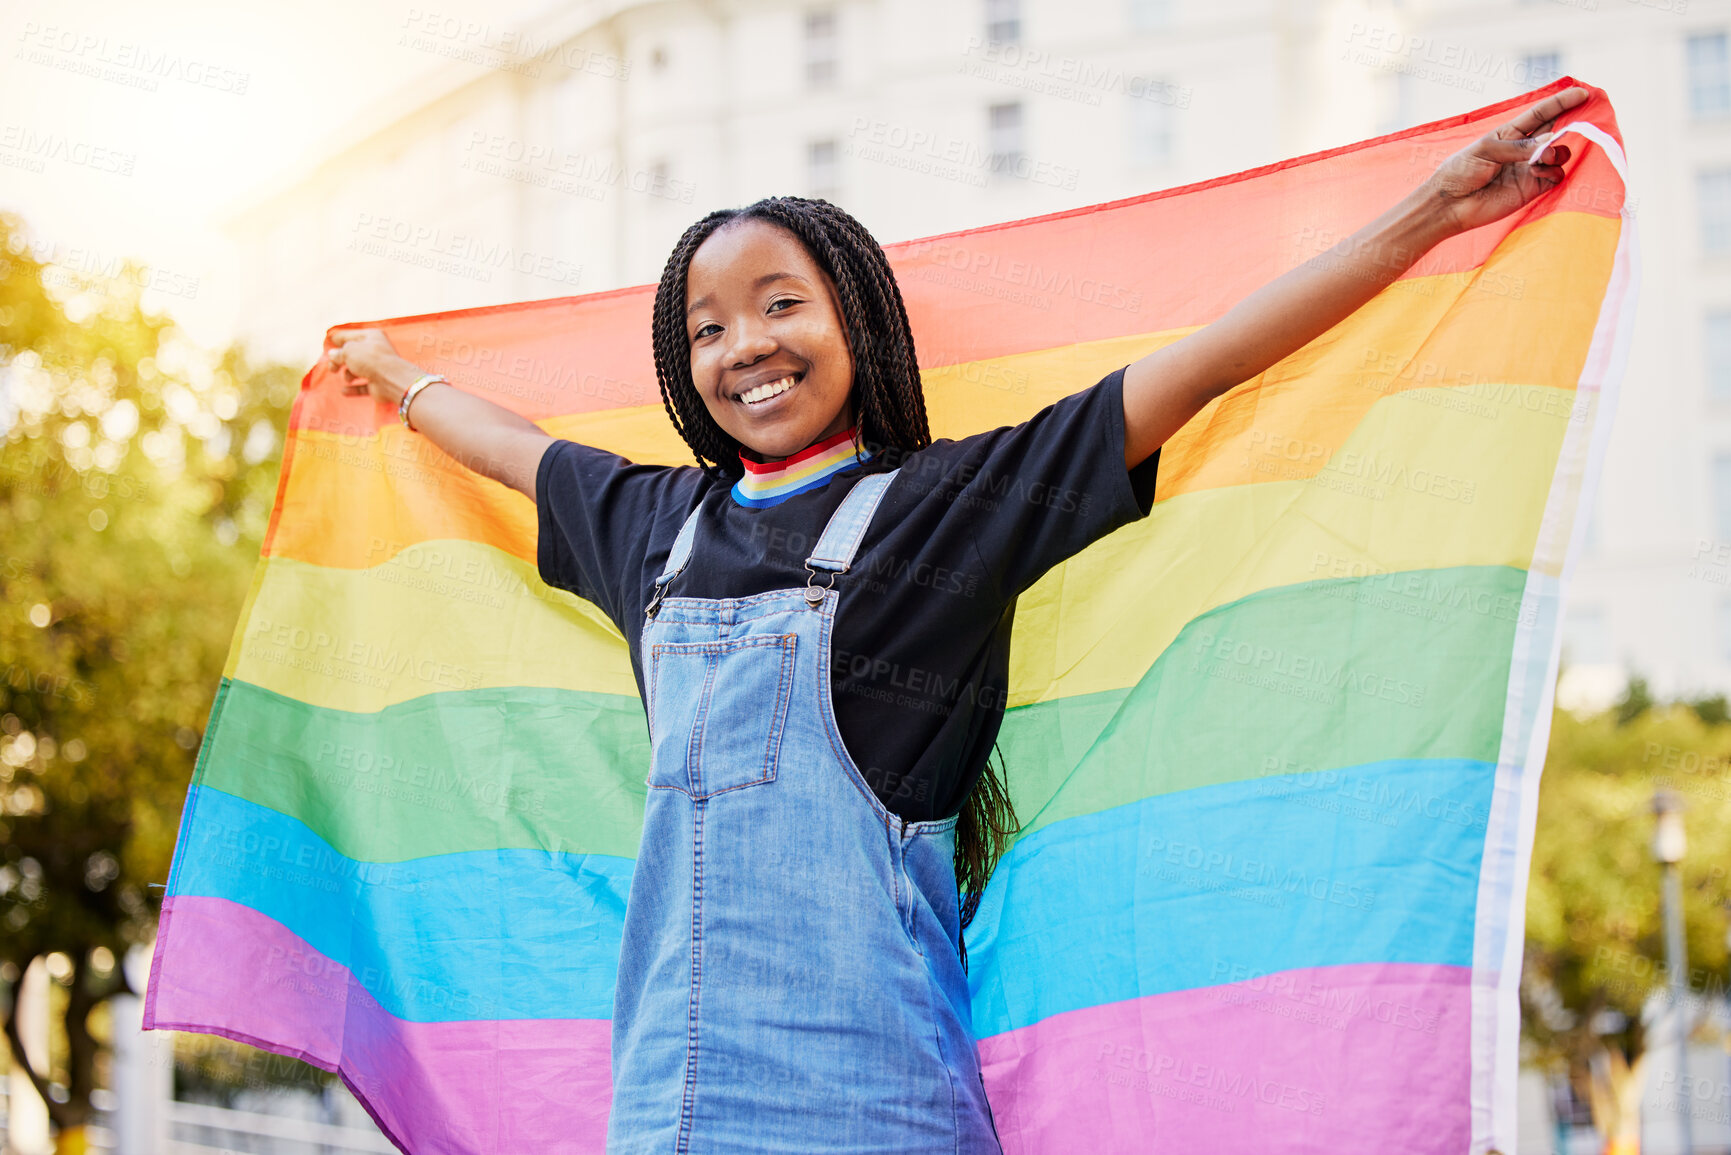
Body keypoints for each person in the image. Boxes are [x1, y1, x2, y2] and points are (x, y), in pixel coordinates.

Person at [325, 86, 1586, 1154]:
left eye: (781, 303)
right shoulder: (654, 528)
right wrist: (391, 373)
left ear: (857, 320)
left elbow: (1199, 368)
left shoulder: (944, 512)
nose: (745, 346)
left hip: (875, 1110)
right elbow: (510, 447)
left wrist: (1432, 214)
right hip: (668, 1110)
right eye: (706, 327)